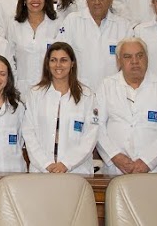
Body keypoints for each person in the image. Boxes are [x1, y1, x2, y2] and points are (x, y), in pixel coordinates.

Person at [94, 37, 157, 174]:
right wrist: (115, 156)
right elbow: (96, 126)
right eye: (127, 57)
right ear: (119, 62)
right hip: (117, 169)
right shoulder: (106, 86)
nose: (135, 62)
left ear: (147, 58)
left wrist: (147, 161)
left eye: (139, 56)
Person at [21, 42, 99, 174]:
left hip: (76, 171)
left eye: (63, 60)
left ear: (72, 63)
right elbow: (29, 133)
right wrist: (47, 165)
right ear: (47, 64)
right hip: (42, 171)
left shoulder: (87, 96)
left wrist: (66, 164)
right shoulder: (35, 94)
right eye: (53, 60)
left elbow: (90, 136)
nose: (58, 65)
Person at [60, 0, 133, 89]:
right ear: (86, 0)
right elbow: (60, 56)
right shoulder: (72, 21)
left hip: (114, 93)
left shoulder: (124, 26)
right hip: (79, 92)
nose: (97, 2)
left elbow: (130, 64)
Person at [9, 0, 62, 93]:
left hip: (50, 88)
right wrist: (14, 85)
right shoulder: (15, 25)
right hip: (22, 90)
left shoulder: (57, 24)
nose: (35, 0)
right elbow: (9, 59)